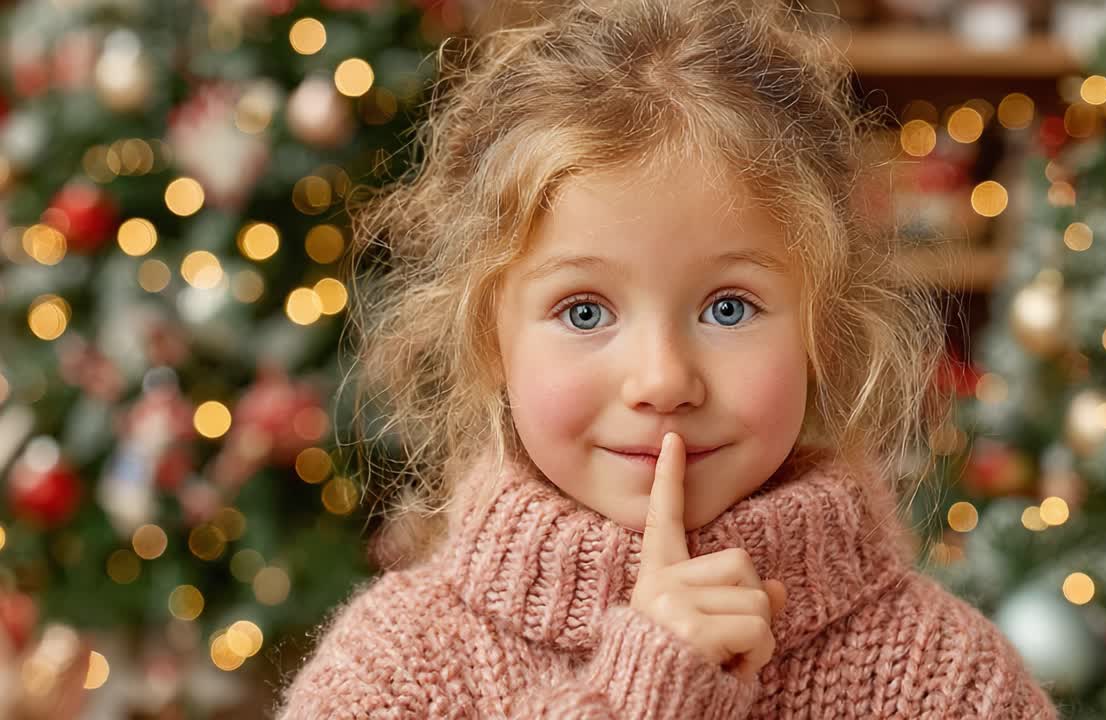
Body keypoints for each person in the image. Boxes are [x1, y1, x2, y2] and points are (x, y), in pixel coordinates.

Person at [275, 0, 1058, 717]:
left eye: (729, 308)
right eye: (584, 312)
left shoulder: (946, 676)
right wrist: (637, 697)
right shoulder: (394, 668)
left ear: (826, 329)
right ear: (490, 341)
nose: (662, 381)